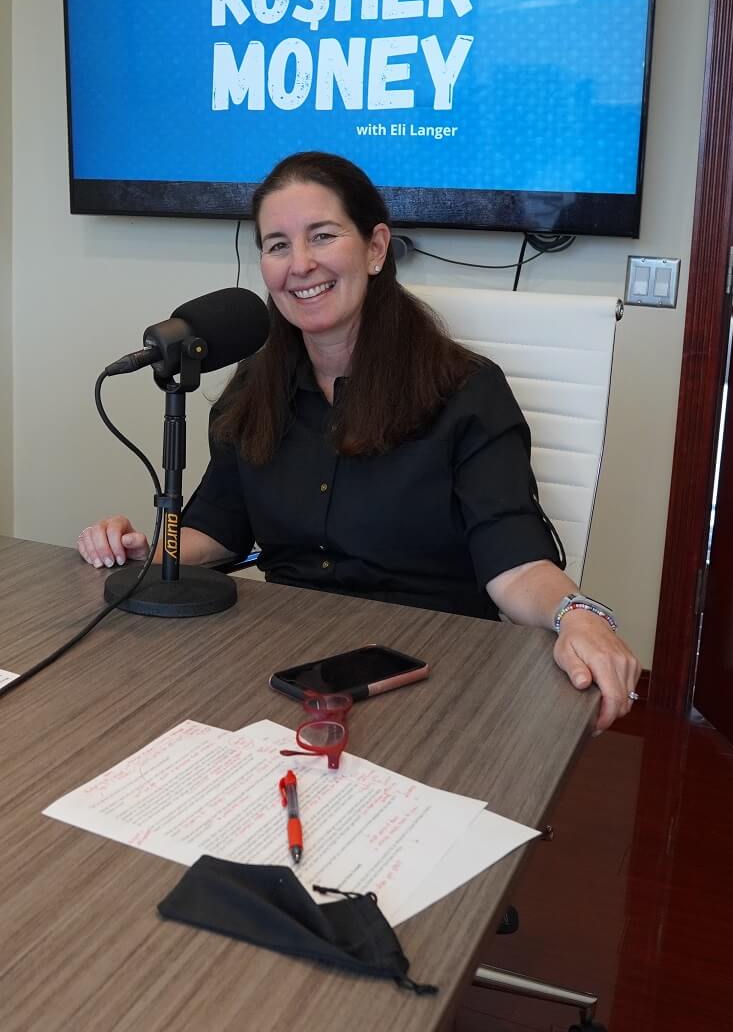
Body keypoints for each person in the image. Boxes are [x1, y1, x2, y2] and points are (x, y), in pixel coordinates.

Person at [76, 151, 640, 729]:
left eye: (321, 236)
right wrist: (150, 551)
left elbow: (515, 565)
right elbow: (221, 525)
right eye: (277, 245)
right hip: (280, 661)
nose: (299, 264)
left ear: (375, 249)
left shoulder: (466, 391)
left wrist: (578, 615)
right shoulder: (254, 385)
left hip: (429, 666)